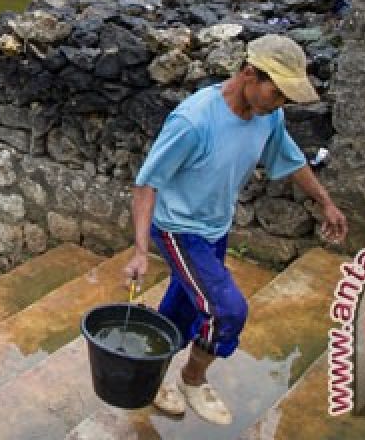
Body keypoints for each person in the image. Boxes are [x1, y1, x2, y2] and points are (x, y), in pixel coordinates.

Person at [123, 34, 347, 425]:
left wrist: (325, 201)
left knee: (184, 305)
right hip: (179, 229)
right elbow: (147, 184)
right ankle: (193, 378)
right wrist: (141, 250)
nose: (281, 105)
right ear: (248, 75)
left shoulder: (268, 116)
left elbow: (289, 159)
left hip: (215, 226)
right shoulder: (193, 122)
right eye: (277, 94)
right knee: (226, 311)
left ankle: (150, 374)